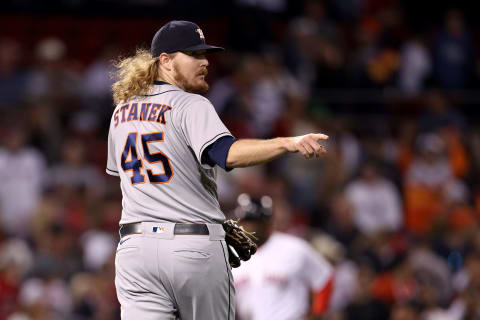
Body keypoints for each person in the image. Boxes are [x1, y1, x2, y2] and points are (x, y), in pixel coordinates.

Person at [107, 20, 329, 320]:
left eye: (204, 55)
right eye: (194, 55)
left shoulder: (121, 112)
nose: (205, 62)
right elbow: (228, 155)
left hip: (135, 251)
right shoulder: (189, 104)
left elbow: (125, 178)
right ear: (166, 61)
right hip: (190, 246)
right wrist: (287, 143)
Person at [232, 193, 334, 319]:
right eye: (247, 221)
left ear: (268, 223)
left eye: (257, 222)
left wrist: (317, 315)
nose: (251, 227)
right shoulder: (230, 256)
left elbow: (324, 277)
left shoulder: (294, 248)